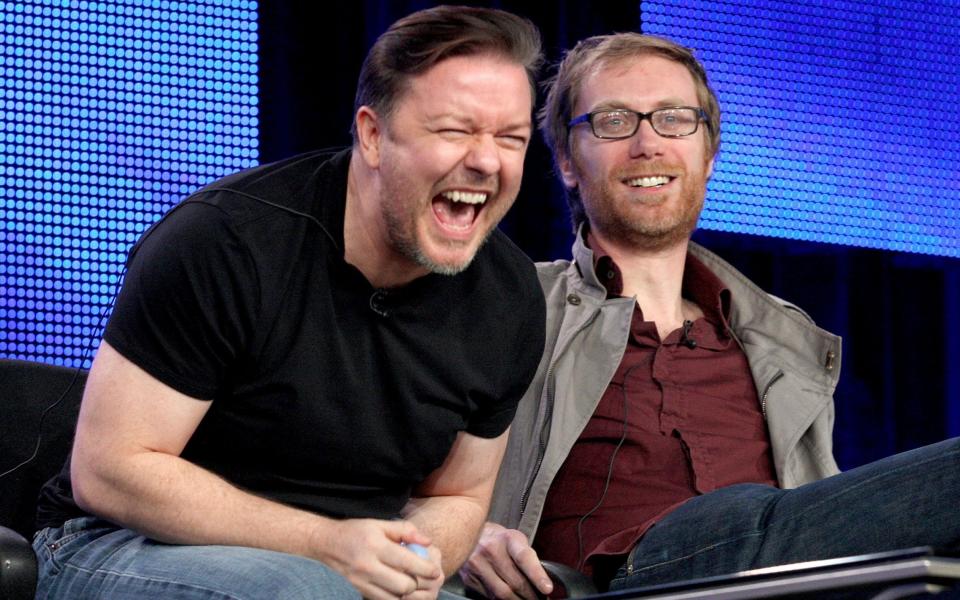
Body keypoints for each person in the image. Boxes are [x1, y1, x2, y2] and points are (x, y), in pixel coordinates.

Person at [32, 6, 546, 600]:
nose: (487, 161)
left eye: (511, 139)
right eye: (455, 131)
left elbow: (456, 496)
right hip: (117, 542)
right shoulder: (227, 240)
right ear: (373, 135)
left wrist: (410, 563)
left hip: (340, 563)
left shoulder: (509, 296)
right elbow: (111, 471)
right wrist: (324, 544)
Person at [459, 32, 960, 598]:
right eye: (615, 120)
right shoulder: (514, 303)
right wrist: (463, 534)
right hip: (622, 578)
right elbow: (382, 473)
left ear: (709, 153)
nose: (648, 143)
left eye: (674, 119)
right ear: (567, 162)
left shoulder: (779, 339)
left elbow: (824, 516)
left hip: (785, 574)